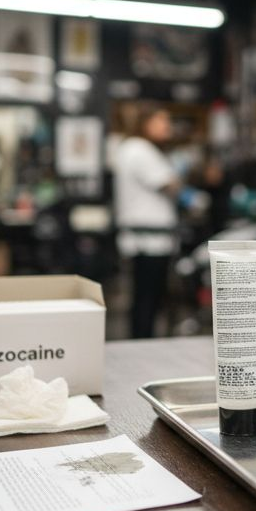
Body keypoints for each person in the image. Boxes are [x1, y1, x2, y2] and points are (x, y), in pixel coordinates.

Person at [113, 102, 181, 338]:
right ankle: (142, 345)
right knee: (146, 301)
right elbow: (169, 184)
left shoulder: (135, 148)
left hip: (148, 238)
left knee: (146, 300)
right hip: (148, 240)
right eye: (162, 120)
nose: (167, 126)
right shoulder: (139, 149)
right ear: (145, 122)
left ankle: (142, 342)